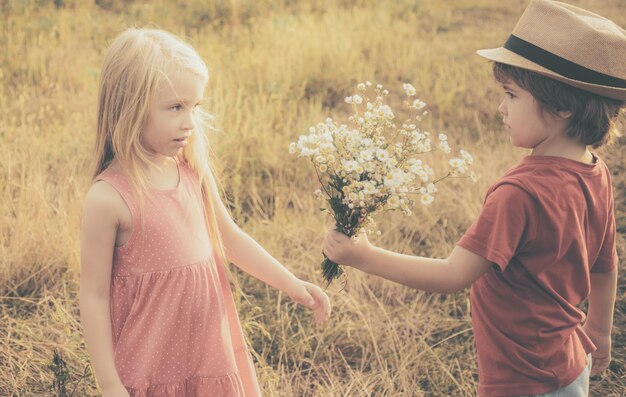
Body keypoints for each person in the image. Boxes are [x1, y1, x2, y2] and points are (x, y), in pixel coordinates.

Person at [323, 1, 624, 396]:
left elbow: (452, 274)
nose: (501, 108)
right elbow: (605, 262)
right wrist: (599, 331)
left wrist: (361, 255)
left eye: (512, 95)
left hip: (521, 378)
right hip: (569, 364)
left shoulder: (519, 194)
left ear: (563, 106)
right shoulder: (595, 170)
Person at [79, 28, 331, 397]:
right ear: (129, 106)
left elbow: (230, 239)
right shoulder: (109, 197)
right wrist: (110, 383)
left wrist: (292, 284)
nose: (190, 122)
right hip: (149, 364)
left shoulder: (189, 169)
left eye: (195, 107)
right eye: (176, 107)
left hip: (207, 354)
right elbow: (93, 296)